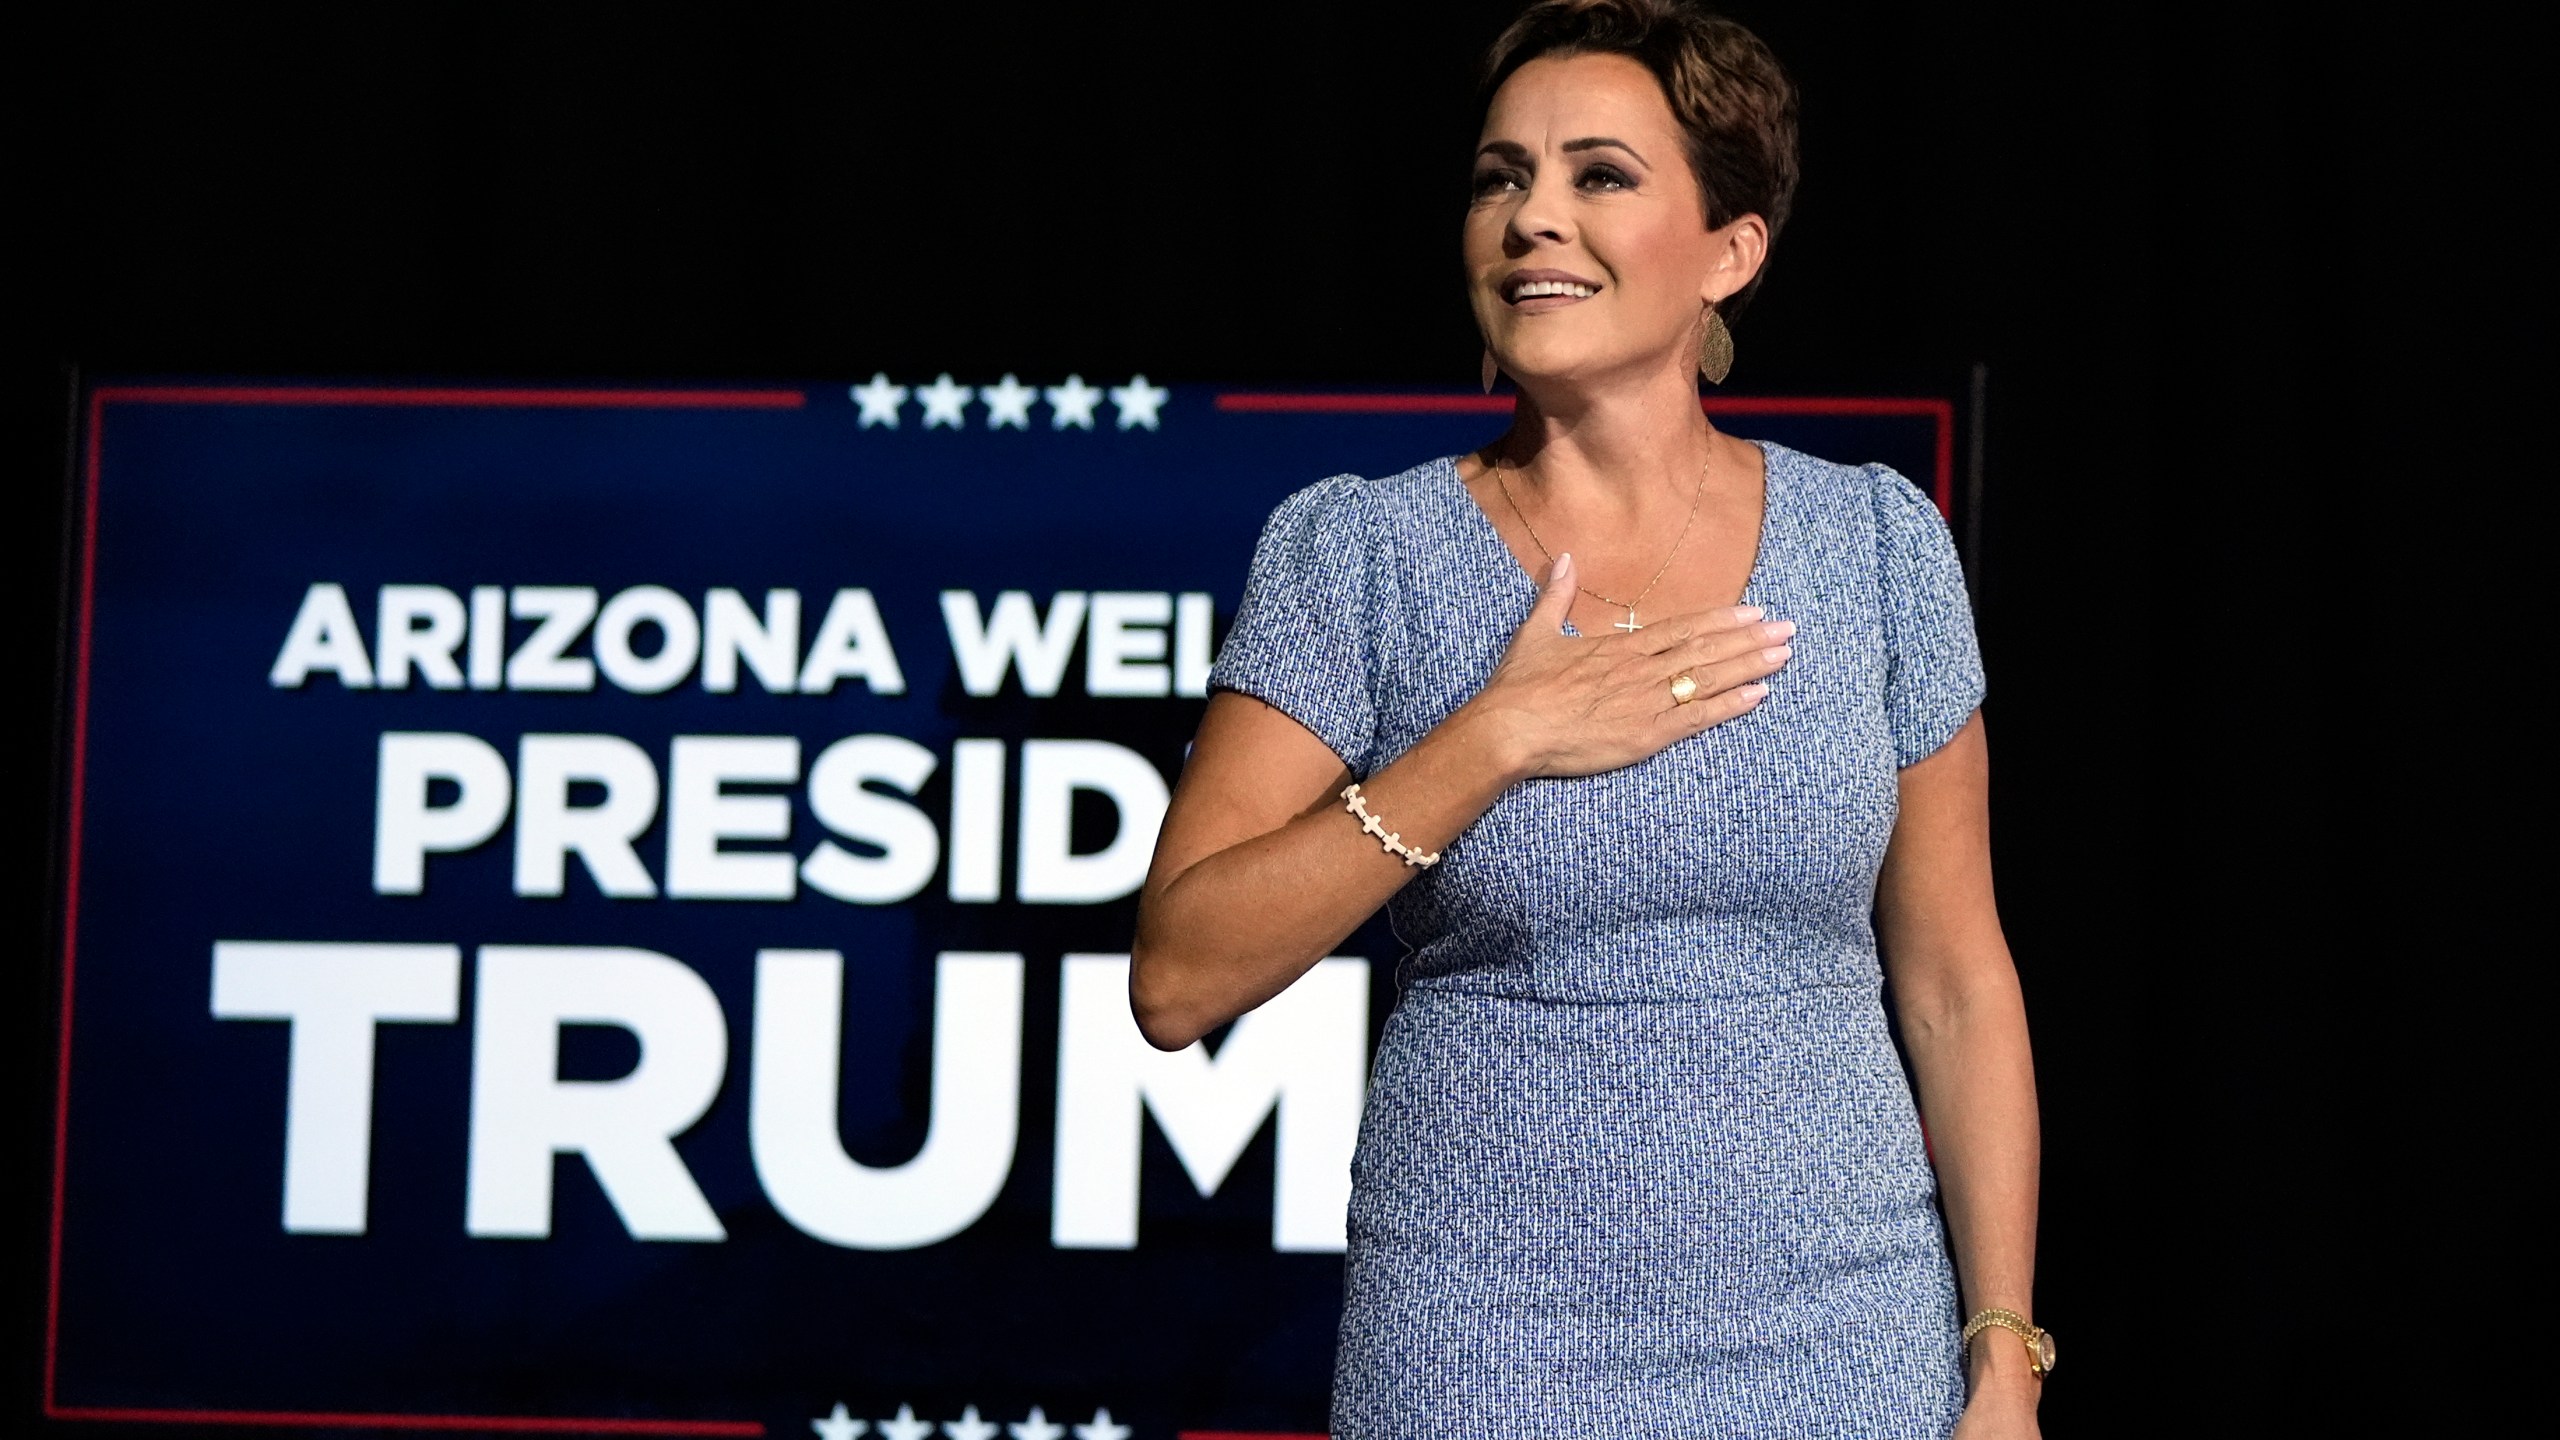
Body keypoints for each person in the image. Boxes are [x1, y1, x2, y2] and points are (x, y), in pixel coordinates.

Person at [1128, 2, 2044, 1433]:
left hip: (1847, 1336)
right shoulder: (1356, 553)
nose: (1532, 219)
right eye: (1502, 178)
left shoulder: (1875, 541)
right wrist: (1492, 740)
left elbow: (1954, 979)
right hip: (1487, 1342)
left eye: (1599, 176)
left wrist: (2002, 1348)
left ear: (1731, 251)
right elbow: (1178, 976)